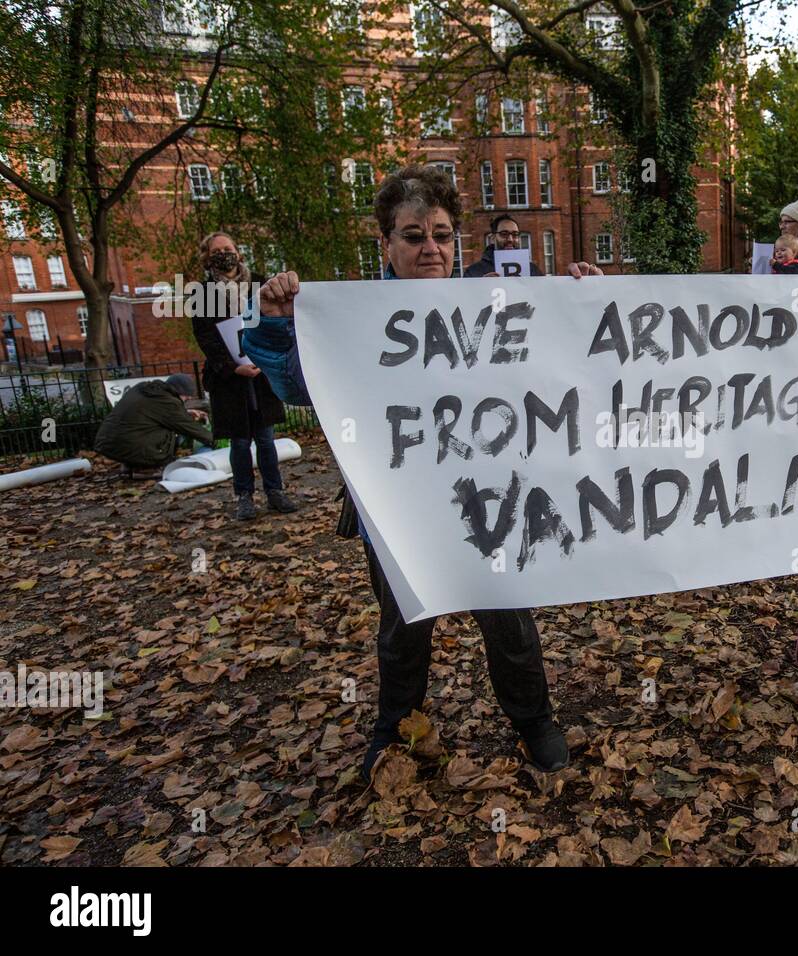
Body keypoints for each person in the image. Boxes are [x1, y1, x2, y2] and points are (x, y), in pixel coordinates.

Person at [257, 165, 604, 780]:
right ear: (386, 244)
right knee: (403, 629)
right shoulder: (354, 316)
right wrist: (281, 320)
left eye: (442, 235)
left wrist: (583, 299)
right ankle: (396, 730)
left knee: (508, 618)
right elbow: (296, 385)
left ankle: (534, 722)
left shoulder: (493, 300)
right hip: (399, 508)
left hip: (491, 499)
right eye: (413, 236)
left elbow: (564, 363)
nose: (431, 248)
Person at [190, 232, 297, 520]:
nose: (224, 254)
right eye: (217, 250)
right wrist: (232, 366)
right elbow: (205, 336)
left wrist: (265, 357)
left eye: (228, 248)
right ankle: (244, 496)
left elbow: (277, 321)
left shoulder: (260, 283)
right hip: (230, 379)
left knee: (266, 438)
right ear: (207, 257)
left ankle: (275, 492)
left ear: (238, 252)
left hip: (261, 374)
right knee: (239, 442)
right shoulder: (202, 293)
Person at [93, 373, 213, 474]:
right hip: (131, 445)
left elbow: (145, 415)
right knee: (173, 432)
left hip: (108, 443)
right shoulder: (169, 402)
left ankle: (132, 464)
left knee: (153, 428)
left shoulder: (142, 389)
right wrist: (216, 440)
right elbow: (190, 428)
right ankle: (148, 466)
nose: (187, 400)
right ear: (179, 392)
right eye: (187, 397)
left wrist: (184, 412)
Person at [462, 213, 543, 277]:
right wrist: (482, 287)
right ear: (493, 238)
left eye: (515, 234)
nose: (510, 239)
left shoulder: (532, 269)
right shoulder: (474, 272)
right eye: (504, 234)